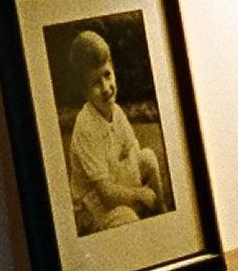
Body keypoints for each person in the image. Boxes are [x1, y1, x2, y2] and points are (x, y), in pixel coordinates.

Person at [66, 29, 164, 232]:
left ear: (113, 70)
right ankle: (138, 225)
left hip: (116, 179)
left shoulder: (116, 112)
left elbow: (132, 152)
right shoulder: (86, 128)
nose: (106, 87)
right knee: (125, 217)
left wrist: (136, 185)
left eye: (107, 74)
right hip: (93, 204)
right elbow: (106, 195)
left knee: (148, 158)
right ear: (84, 92)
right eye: (95, 82)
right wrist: (139, 194)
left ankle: (161, 215)